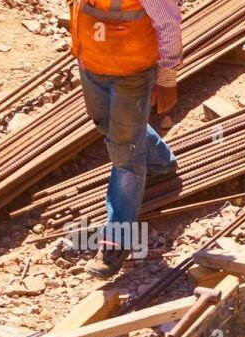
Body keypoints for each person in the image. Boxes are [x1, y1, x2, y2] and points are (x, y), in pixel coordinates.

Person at [69, 0, 182, 278]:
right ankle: (161, 162)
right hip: (92, 66)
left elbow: (168, 24)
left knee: (125, 155)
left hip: (131, 75)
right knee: (109, 127)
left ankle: (118, 238)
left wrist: (167, 78)